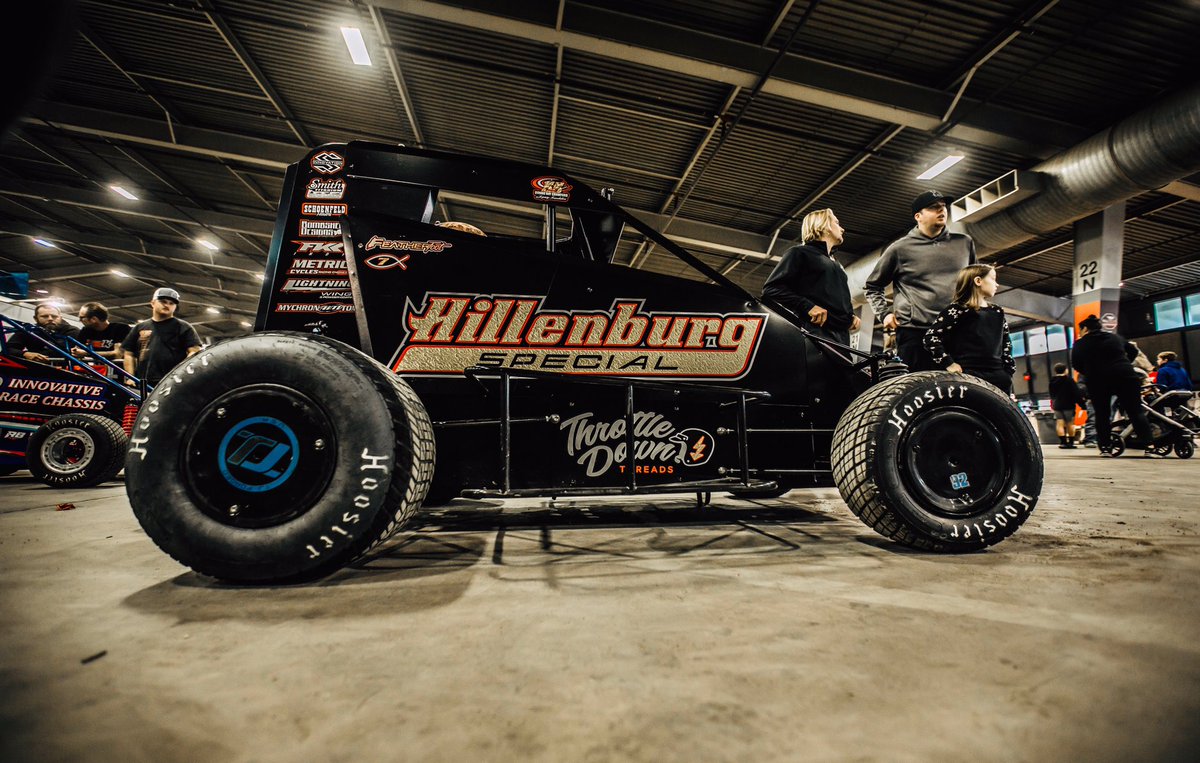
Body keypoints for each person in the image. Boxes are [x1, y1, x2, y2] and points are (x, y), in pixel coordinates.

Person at [866, 190, 977, 371]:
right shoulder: (899, 248)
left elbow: (974, 283)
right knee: (918, 390)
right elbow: (872, 286)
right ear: (918, 216)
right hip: (915, 333)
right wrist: (884, 314)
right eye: (934, 207)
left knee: (961, 392)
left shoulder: (964, 243)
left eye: (943, 206)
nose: (942, 210)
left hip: (958, 330)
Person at [762, 208, 861, 344]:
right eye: (837, 223)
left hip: (842, 338)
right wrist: (807, 306)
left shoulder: (837, 264)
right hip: (814, 333)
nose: (842, 229)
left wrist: (851, 317)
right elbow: (771, 289)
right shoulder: (799, 253)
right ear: (825, 225)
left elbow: (836, 299)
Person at [1070, 314, 1157, 458]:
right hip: (1125, 376)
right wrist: (1124, 363)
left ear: (1085, 328)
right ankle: (1149, 446)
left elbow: (1076, 364)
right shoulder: (1115, 337)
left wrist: (1090, 371)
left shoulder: (1080, 343)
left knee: (1102, 414)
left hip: (1098, 380)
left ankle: (1105, 447)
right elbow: (1133, 351)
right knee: (1136, 412)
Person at [922, 264, 1015, 395]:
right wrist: (949, 364)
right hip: (967, 373)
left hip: (999, 375)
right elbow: (931, 338)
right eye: (993, 278)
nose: (997, 284)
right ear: (978, 281)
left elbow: (1006, 343)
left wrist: (1008, 371)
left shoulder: (998, 311)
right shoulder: (956, 310)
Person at [123, 287, 202, 385]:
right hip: (143, 382)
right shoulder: (139, 327)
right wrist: (130, 377)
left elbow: (195, 352)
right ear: (152, 303)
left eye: (171, 303)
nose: (167, 305)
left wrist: (180, 373)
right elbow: (129, 353)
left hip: (173, 382)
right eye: (163, 301)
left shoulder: (183, 327)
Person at [5, 302, 79, 362]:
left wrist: (35, 355)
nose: (50, 319)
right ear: (35, 318)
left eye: (54, 316)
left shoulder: (72, 331)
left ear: (60, 317)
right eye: (45, 316)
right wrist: (25, 354)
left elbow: (57, 351)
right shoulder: (29, 330)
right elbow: (8, 349)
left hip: (68, 370)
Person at [1049, 363, 1082, 448]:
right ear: (1065, 370)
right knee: (1070, 423)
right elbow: (1076, 393)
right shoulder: (1069, 380)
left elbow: (1051, 394)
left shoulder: (1052, 381)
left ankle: (1063, 442)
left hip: (1057, 405)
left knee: (1059, 423)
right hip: (1068, 405)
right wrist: (1081, 404)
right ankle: (1070, 443)